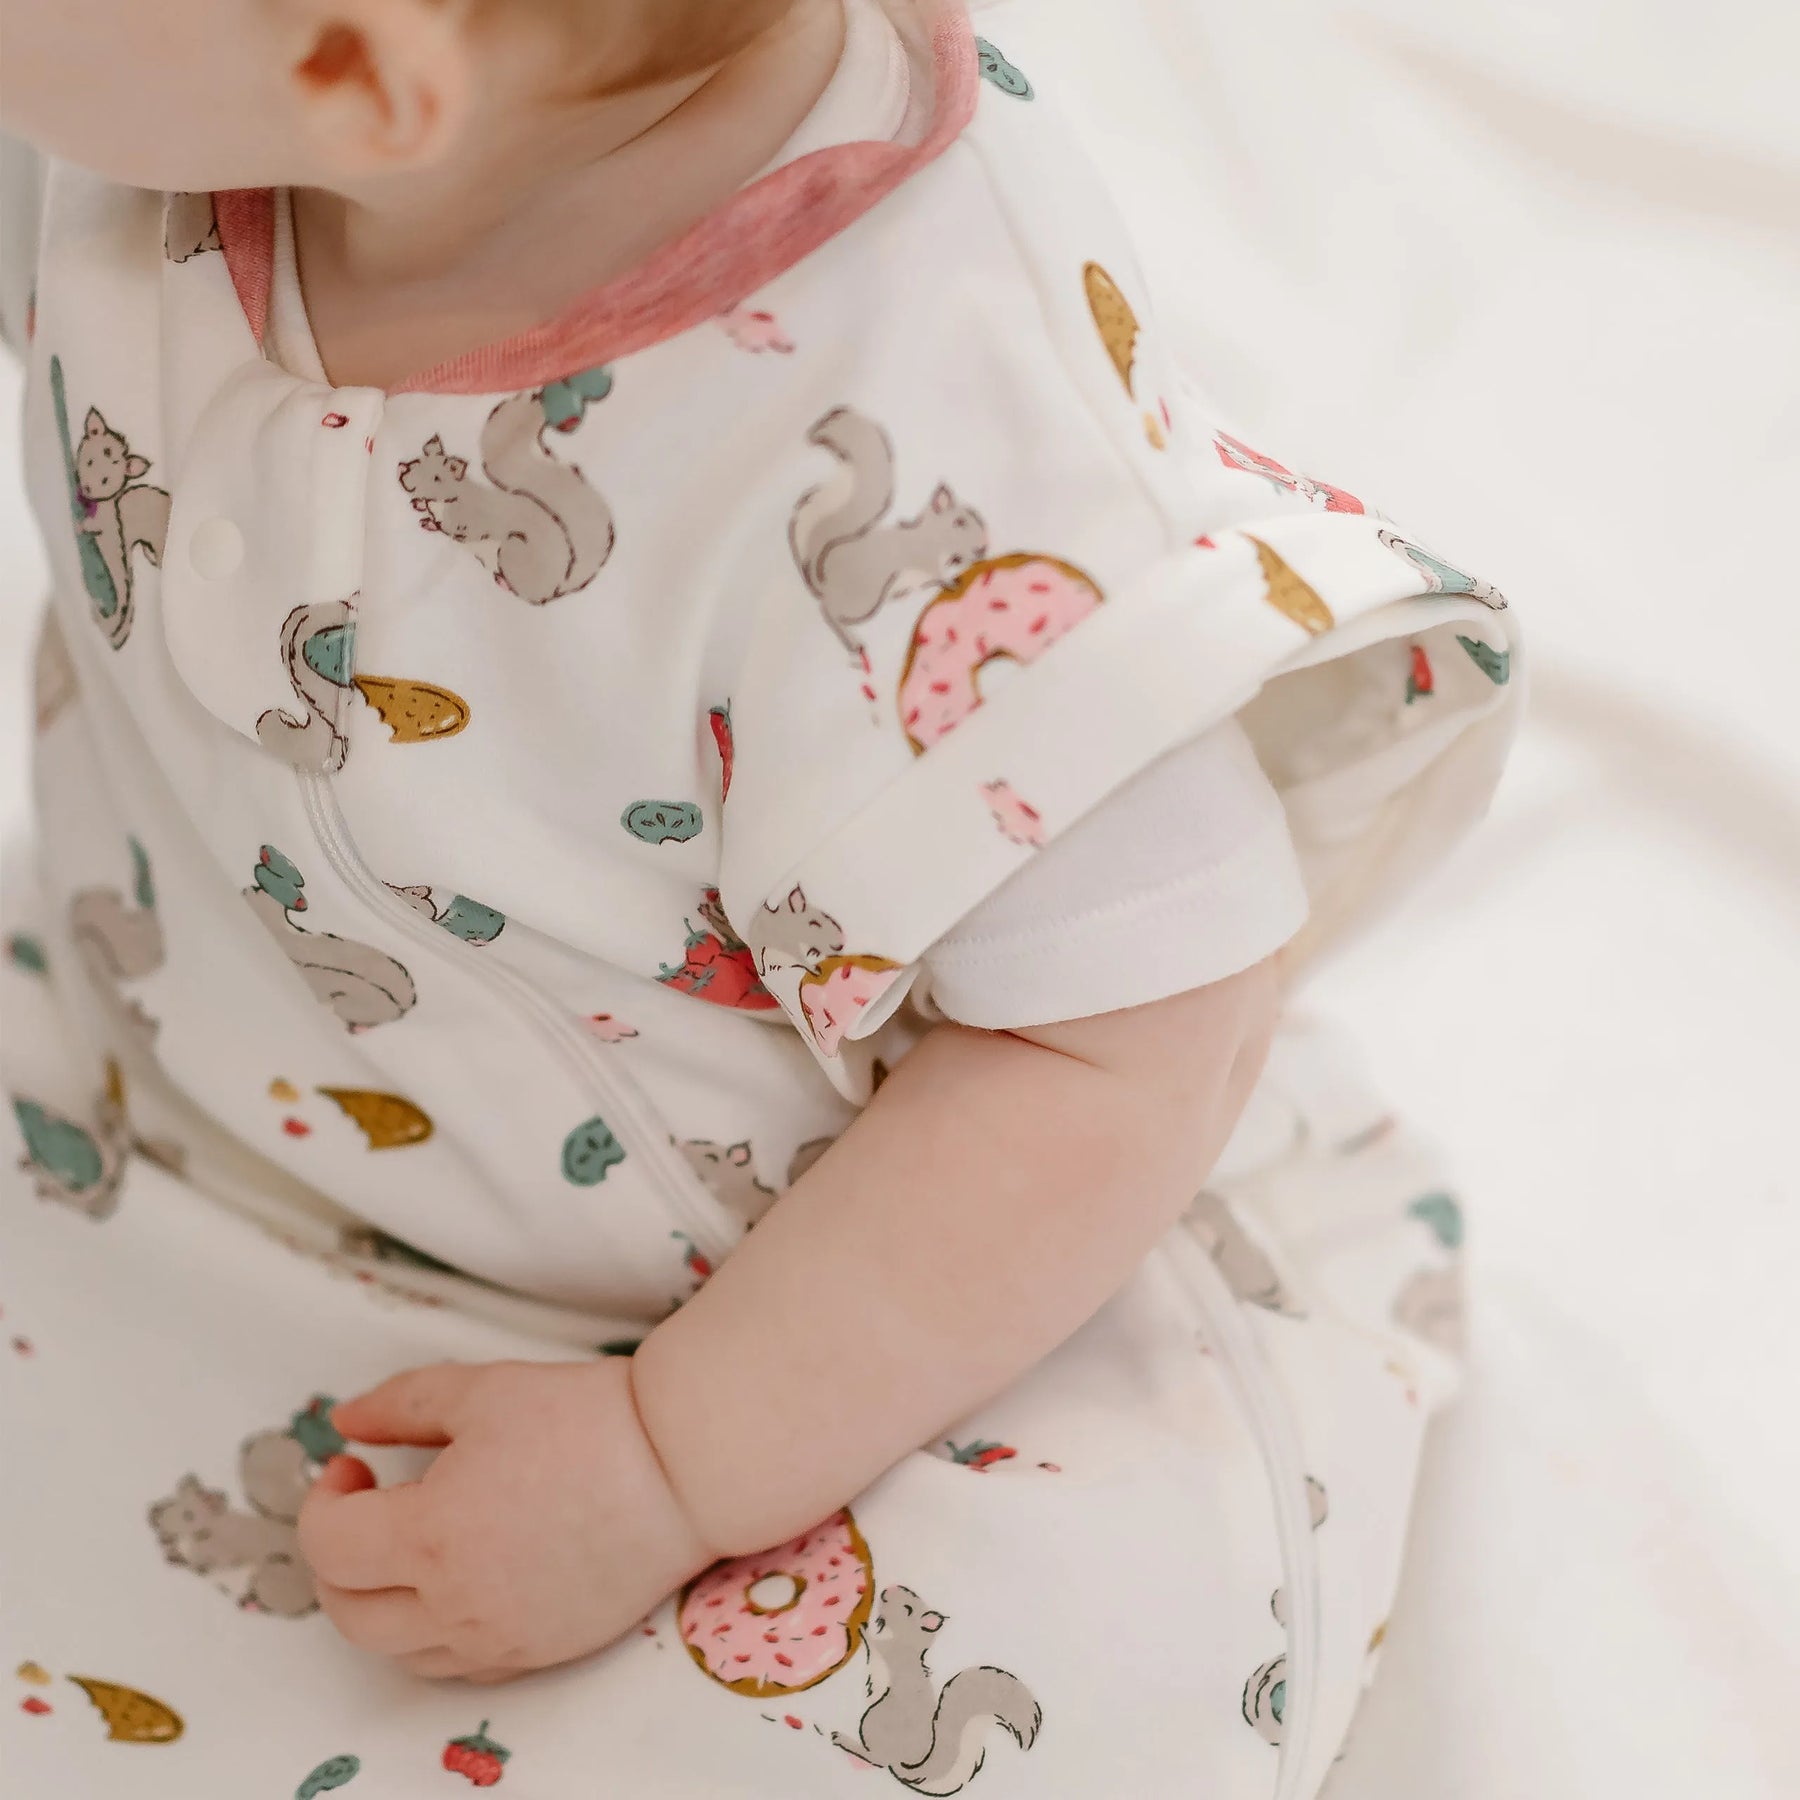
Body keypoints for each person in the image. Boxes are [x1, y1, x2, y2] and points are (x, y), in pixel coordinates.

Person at [0, 1, 1520, 1792]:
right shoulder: (168, 100)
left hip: (819, 1315)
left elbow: (1131, 1048)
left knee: (1039, 1683)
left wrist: (670, 1464)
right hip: (164, 1055)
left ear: (358, 79)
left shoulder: (934, 445)